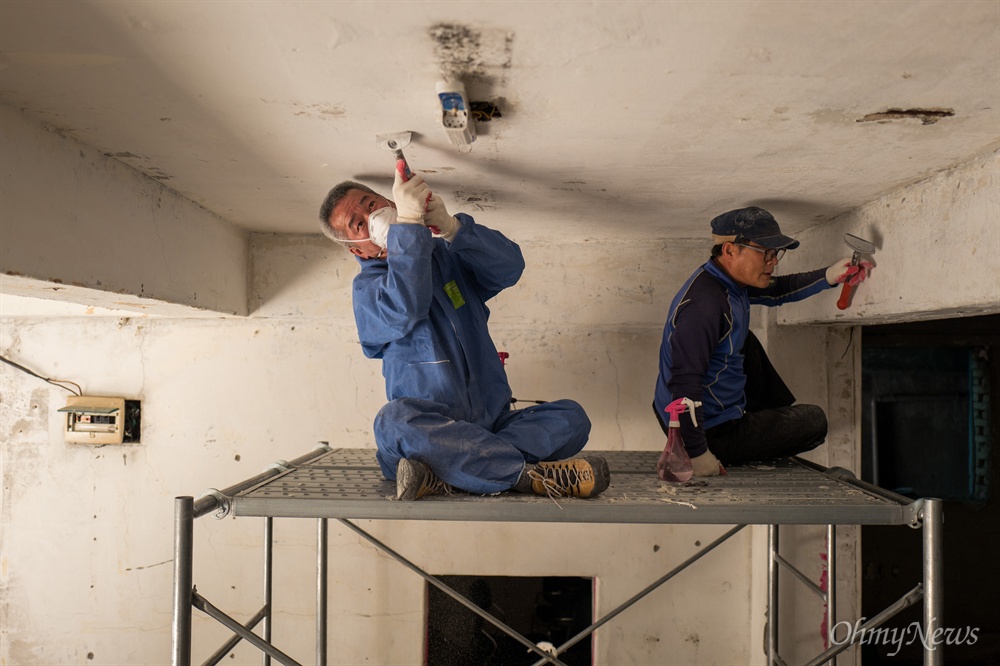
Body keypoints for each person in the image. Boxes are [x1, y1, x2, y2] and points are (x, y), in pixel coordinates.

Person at [318, 163, 610, 500]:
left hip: (492, 423)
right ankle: (526, 476)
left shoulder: (446, 257)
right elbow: (406, 303)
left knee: (572, 418)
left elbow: (509, 268)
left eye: (371, 203)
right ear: (358, 249)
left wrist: (453, 229)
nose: (374, 216)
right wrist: (409, 228)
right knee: (393, 423)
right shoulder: (368, 290)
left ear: (390, 198)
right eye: (358, 224)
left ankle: (445, 472)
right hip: (428, 430)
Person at [653, 206, 872, 477]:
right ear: (730, 250)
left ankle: (762, 422)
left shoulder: (724, 281)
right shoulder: (705, 306)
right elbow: (684, 382)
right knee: (814, 421)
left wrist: (829, 276)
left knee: (743, 338)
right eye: (765, 253)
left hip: (696, 415)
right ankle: (747, 432)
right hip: (705, 431)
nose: (774, 261)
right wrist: (698, 454)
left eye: (775, 253)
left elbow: (777, 290)